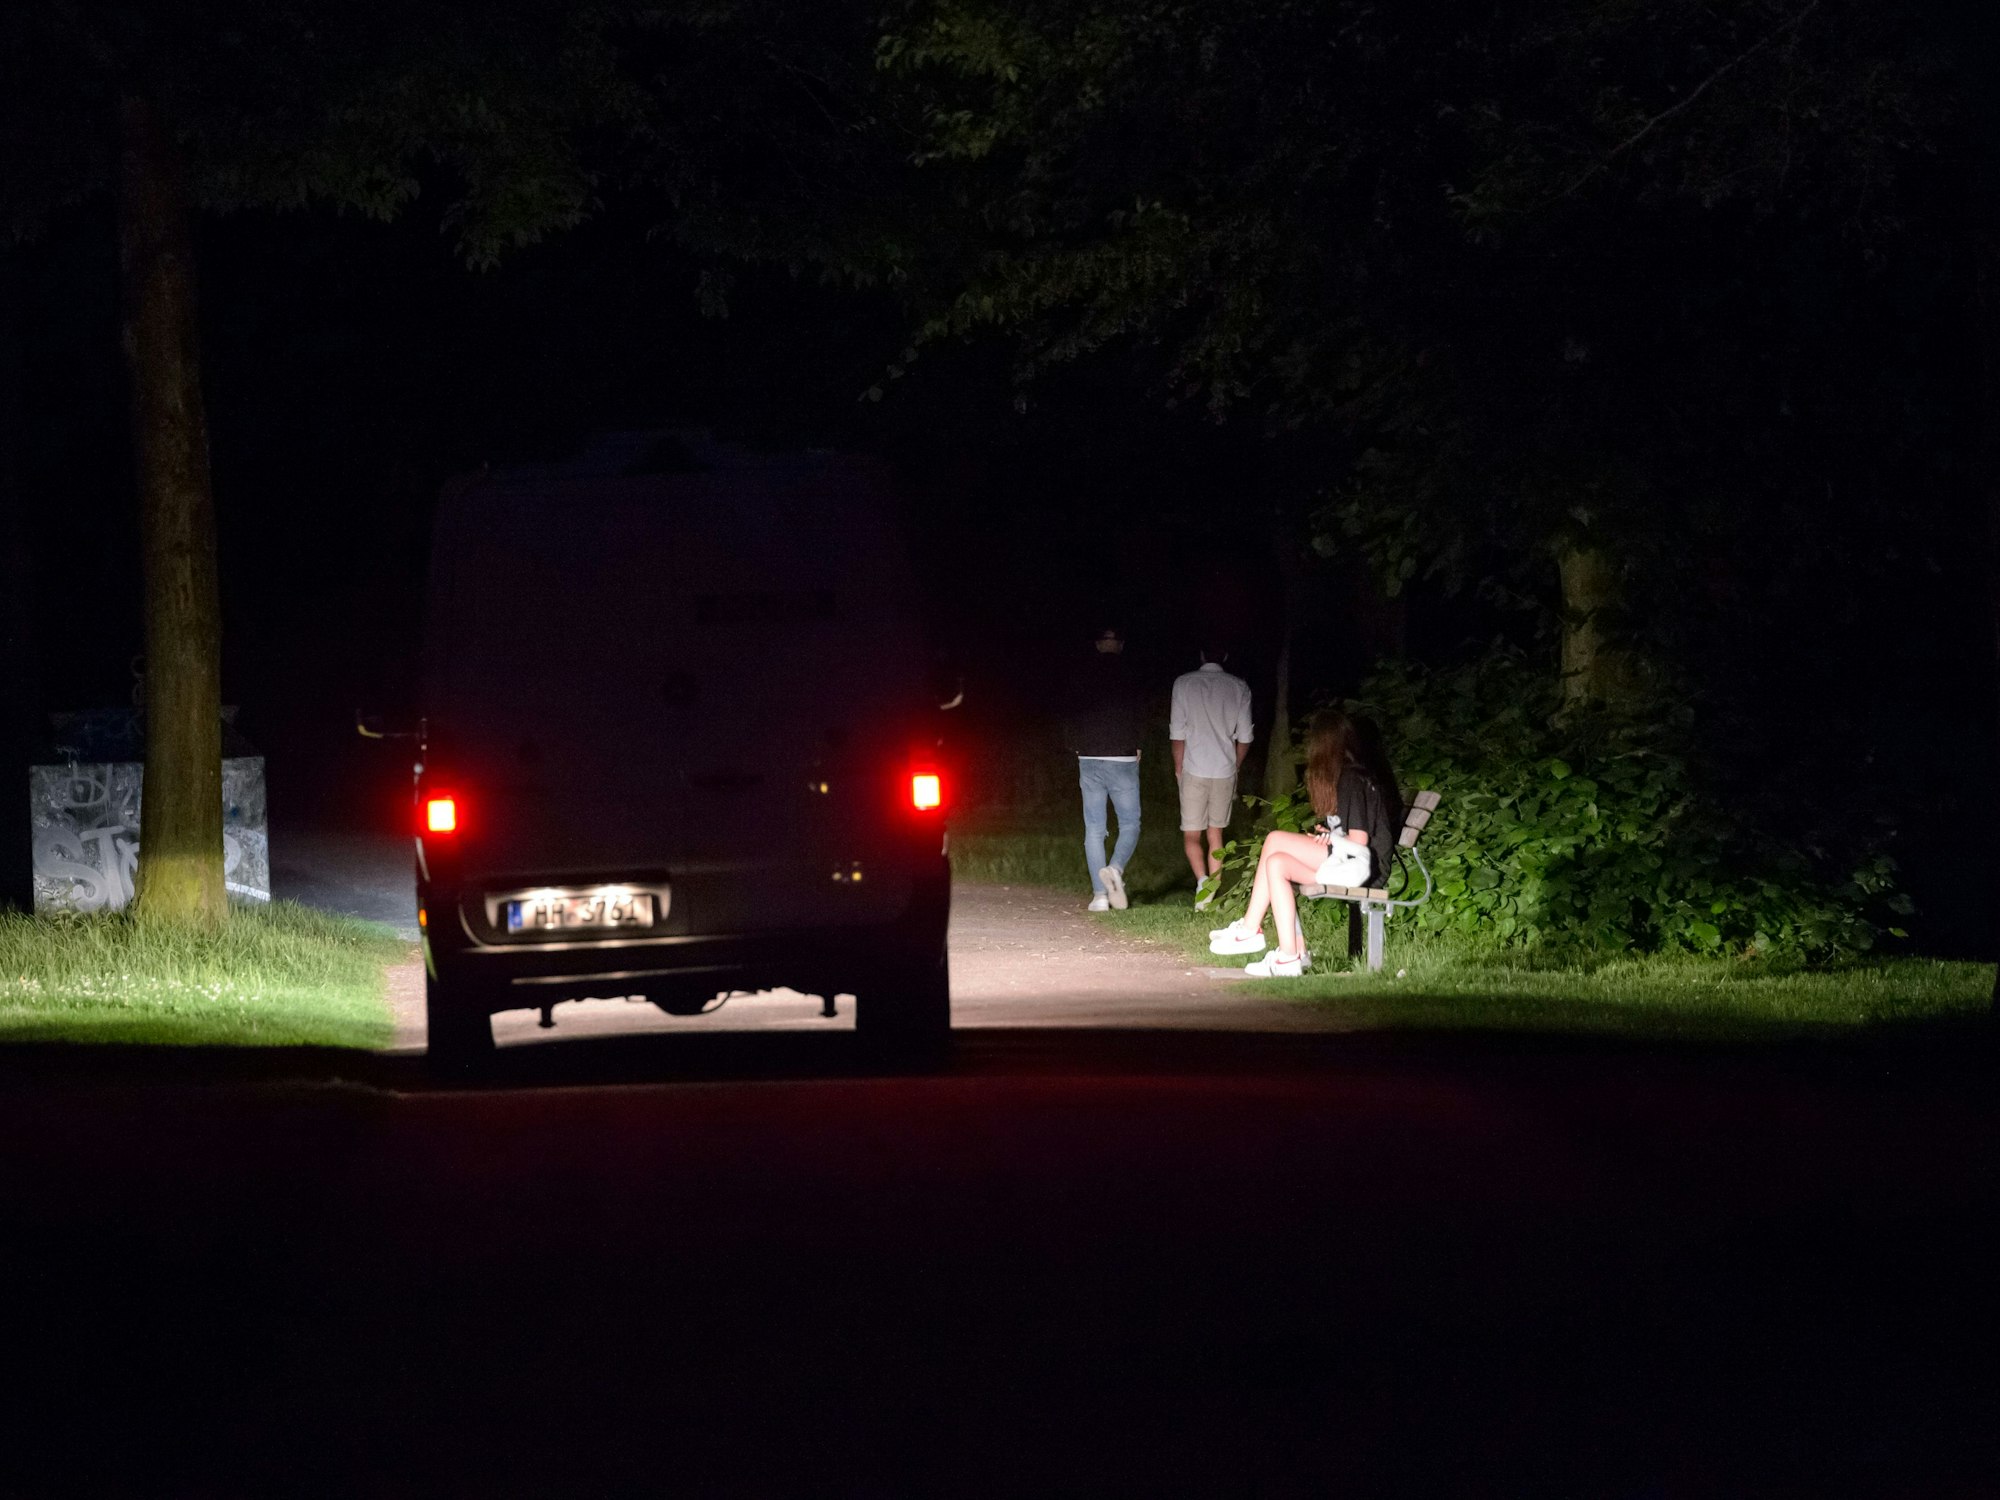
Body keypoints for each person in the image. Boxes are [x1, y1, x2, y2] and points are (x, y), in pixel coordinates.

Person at [1207, 708, 1401, 976]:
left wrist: (1332, 839)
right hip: (1351, 861)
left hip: (1364, 870)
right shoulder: (1348, 776)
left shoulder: (1352, 779)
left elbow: (1358, 841)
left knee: (1276, 852)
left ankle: (1274, 945)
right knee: (1275, 851)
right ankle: (1277, 944)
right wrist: (1330, 837)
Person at [1063, 625, 1146, 911]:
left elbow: (1071, 712)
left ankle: (1100, 896)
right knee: (1130, 824)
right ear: (1119, 646)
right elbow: (1139, 710)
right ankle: (1116, 869)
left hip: (1089, 756)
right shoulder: (1131, 672)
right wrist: (1138, 744)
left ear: (1098, 645)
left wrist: (1076, 746)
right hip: (1122, 756)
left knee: (1094, 828)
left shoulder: (1081, 673)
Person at [1169, 641, 1252, 910]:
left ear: (1201, 654)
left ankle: (1203, 881)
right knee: (1216, 833)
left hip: (1194, 767)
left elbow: (1177, 733)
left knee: (1191, 834)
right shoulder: (1239, 686)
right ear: (1225, 655)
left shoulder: (1183, 683)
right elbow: (1246, 737)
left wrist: (1178, 768)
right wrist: (1235, 764)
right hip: (1224, 769)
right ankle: (1211, 891)